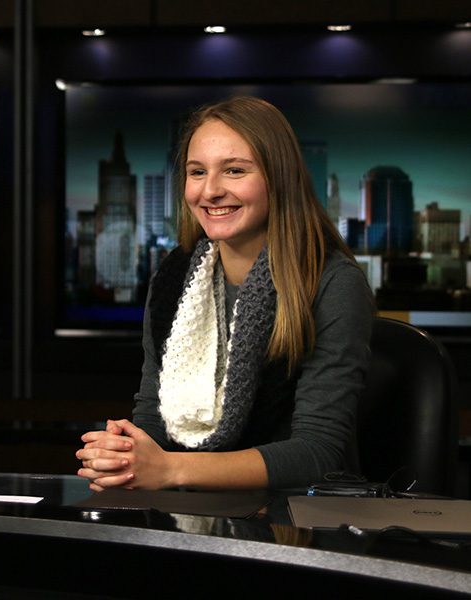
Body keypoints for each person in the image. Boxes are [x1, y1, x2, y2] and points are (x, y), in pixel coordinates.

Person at [76, 96, 373, 491]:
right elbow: (152, 413)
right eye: (197, 172)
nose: (210, 190)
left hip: (294, 521)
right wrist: (126, 455)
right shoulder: (173, 273)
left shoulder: (332, 281)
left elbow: (317, 454)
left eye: (234, 170)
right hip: (190, 509)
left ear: (279, 177)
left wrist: (168, 469)